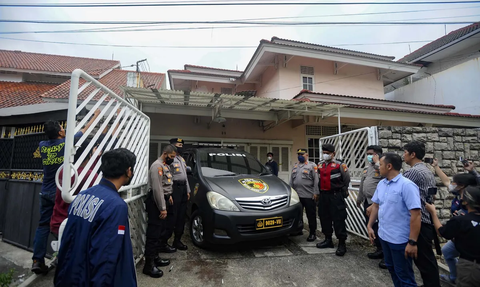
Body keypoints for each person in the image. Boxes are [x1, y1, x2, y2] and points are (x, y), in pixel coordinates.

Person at [54, 148, 137, 286]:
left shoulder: (82, 196)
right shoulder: (116, 206)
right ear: (128, 171)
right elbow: (106, 257)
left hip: (70, 277)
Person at [32, 110, 100, 274]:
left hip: (46, 190)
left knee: (43, 226)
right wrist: (95, 116)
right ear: (60, 132)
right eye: (62, 128)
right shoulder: (66, 143)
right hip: (61, 191)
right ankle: (63, 255)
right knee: (65, 222)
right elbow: (84, 130)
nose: (64, 129)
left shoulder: (42, 145)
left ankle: (37, 260)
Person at [368, 153, 422, 287]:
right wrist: (370, 226)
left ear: (389, 166)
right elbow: (375, 205)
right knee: (391, 269)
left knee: (404, 276)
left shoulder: (407, 186)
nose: (378, 167)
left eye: (380, 165)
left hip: (400, 240)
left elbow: (416, 215)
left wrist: (412, 242)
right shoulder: (382, 183)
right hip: (384, 236)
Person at [431, 161, 477, 285]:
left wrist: (433, 213)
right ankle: (454, 276)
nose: (452, 184)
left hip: (470, 237)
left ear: (462, 185)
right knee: (447, 251)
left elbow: (442, 233)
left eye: (455, 183)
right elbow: (446, 182)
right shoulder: (459, 194)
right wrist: (436, 166)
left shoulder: (474, 199)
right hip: (460, 233)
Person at [403, 141, 441, 287]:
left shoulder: (413, 172)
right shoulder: (426, 171)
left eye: (405, 152)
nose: (403, 155)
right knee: (427, 260)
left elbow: (400, 190)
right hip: (426, 219)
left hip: (419, 221)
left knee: (424, 261)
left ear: (413, 154)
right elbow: (433, 194)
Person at [426, 186, 480, 287]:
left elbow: (442, 232)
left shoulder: (461, 221)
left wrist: (433, 213)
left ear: (466, 201)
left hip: (470, 267)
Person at [50, 140, 98, 237]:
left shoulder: (63, 171)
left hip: (58, 222)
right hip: (76, 227)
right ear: (89, 155)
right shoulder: (90, 176)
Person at [143, 145, 176, 278]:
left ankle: (155, 258)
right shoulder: (157, 166)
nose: (172, 159)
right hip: (156, 203)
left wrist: (170, 196)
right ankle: (149, 265)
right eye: (171, 157)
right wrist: (162, 208)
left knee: (159, 232)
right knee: (154, 233)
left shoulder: (164, 165)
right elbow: (157, 189)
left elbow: (165, 185)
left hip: (164, 200)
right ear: (165, 153)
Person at [317, 144, 351, 256]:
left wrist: (342, 192)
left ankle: (342, 243)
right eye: (324, 152)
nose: (325, 154)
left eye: (328, 153)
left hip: (336, 196)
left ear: (333, 153)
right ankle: (328, 240)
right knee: (324, 217)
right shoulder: (320, 165)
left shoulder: (340, 165)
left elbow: (346, 180)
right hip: (323, 196)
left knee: (338, 219)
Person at [356, 145, 385, 268]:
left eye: (371, 153)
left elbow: (387, 178)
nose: (368, 156)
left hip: (378, 204)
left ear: (377, 155)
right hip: (368, 202)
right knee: (371, 226)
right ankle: (379, 249)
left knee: (380, 228)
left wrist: (378, 163)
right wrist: (359, 199)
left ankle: (386, 254)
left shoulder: (383, 167)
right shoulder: (367, 168)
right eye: (367, 153)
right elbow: (363, 185)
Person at [289, 148, 319, 242]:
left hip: (309, 195)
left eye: (302, 154)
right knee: (298, 214)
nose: (300, 156)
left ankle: (312, 233)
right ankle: (299, 230)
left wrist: (316, 192)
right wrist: (290, 192)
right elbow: (291, 180)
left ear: (307, 155)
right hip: (297, 195)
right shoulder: (295, 166)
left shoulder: (312, 166)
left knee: (311, 215)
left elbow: (316, 180)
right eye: (299, 154)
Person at [167, 138, 190, 251]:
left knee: (181, 216)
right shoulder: (170, 159)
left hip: (183, 189)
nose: (181, 147)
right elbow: (167, 177)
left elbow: (185, 177)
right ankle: (164, 241)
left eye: (181, 145)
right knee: (173, 216)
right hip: (174, 188)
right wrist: (169, 193)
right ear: (172, 146)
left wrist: (188, 190)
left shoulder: (181, 159)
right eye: (178, 145)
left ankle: (177, 241)